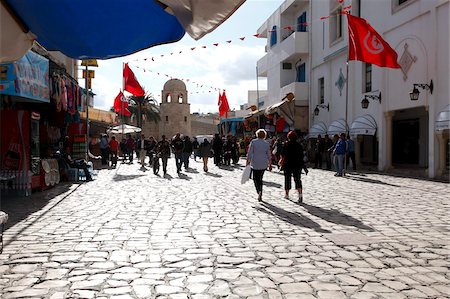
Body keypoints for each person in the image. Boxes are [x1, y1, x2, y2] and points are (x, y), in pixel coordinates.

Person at [280, 131, 308, 202]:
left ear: (288, 137)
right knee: (297, 179)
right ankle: (300, 194)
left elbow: (283, 155)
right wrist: (304, 167)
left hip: (288, 164)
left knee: (287, 179)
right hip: (297, 164)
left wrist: (281, 162)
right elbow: (301, 157)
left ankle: (287, 194)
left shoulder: (286, 144)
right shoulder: (299, 145)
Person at [246, 129, 271, 202]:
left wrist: (248, 161)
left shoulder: (253, 142)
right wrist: (270, 164)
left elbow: (250, 152)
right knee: (260, 178)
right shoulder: (266, 143)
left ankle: (258, 190)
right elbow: (269, 154)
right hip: (263, 163)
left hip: (255, 162)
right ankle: (260, 190)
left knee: (255, 178)